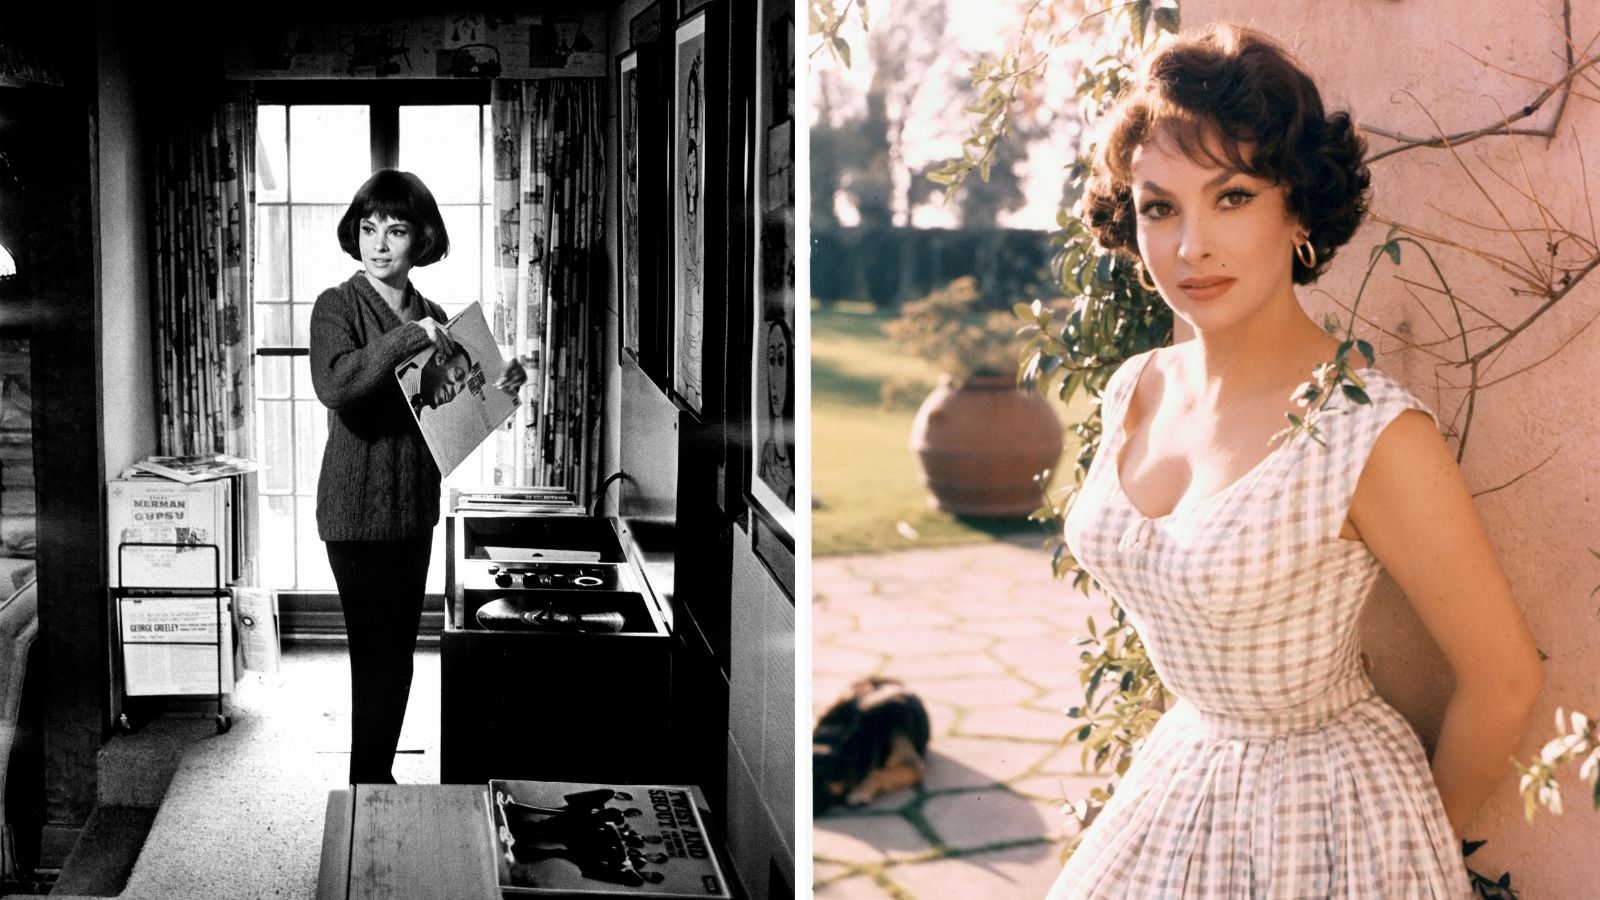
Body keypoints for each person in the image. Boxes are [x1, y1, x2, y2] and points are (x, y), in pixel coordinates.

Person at [1047, 25, 1541, 897]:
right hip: (1183, 777)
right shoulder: (1138, 386)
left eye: (1231, 197)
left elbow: (1504, 678)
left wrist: (1404, 849)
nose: (1191, 245)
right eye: (1160, 206)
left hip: (1329, 815)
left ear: (1298, 210)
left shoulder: (1367, 432)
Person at [309, 168, 525, 785]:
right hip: (354, 518)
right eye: (369, 228)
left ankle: (376, 774)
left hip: (413, 512)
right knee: (374, 657)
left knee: (400, 654)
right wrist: (408, 338)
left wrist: (496, 389)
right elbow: (337, 385)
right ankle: (366, 781)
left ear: (421, 239)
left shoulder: (435, 315)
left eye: (396, 230)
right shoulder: (338, 305)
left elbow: (451, 411)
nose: (379, 243)